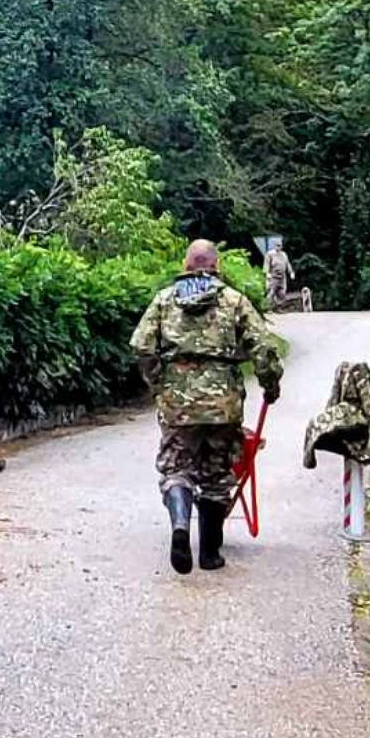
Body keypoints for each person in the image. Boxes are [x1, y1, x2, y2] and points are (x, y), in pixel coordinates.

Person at [130, 240, 283, 574]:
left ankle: (181, 526)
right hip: (222, 403)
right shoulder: (233, 300)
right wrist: (270, 384)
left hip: (177, 403)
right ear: (217, 266)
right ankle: (210, 553)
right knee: (217, 474)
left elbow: (142, 345)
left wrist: (159, 384)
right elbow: (263, 348)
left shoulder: (165, 300)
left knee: (176, 469)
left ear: (186, 265)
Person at [264, 238, 296, 313]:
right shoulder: (270, 254)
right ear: (274, 246)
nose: (279, 247)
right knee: (271, 292)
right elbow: (266, 264)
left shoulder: (284, 254)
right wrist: (267, 273)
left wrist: (291, 272)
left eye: (280, 246)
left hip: (282, 276)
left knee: (282, 293)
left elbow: (287, 264)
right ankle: (269, 308)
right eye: (277, 245)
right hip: (273, 276)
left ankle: (278, 308)